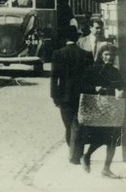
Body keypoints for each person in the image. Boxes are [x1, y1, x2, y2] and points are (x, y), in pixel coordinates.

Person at [76, 43, 125, 177]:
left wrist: (121, 90)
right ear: (101, 56)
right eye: (106, 54)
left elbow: (122, 85)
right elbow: (81, 86)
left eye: (112, 55)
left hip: (112, 109)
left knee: (112, 140)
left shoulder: (115, 71)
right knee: (99, 138)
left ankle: (106, 169)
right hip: (97, 109)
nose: (109, 57)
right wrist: (95, 88)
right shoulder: (92, 70)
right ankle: (87, 156)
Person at [51, 26, 93, 164]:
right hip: (83, 95)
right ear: (77, 38)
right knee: (80, 124)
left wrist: (55, 96)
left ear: (65, 39)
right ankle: (77, 154)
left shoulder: (58, 54)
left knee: (69, 125)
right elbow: (90, 77)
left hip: (65, 96)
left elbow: (54, 77)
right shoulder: (86, 54)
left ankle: (73, 152)